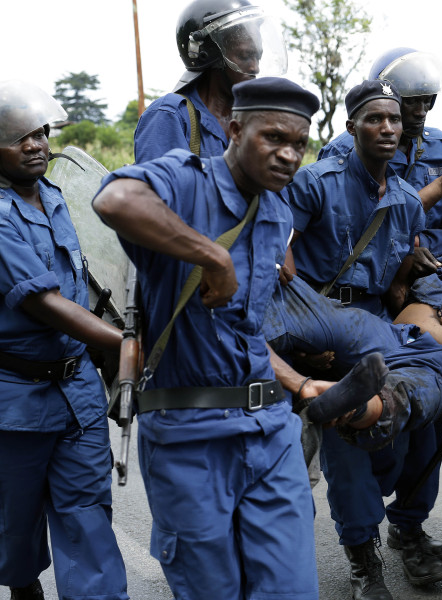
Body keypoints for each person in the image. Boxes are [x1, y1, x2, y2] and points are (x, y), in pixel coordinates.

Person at [92, 77, 360, 600]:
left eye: (298, 145)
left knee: (291, 589)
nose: (288, 155)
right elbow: (115, 198)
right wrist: (210, 254)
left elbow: (245, 332)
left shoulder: (276, 208)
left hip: (270, 431)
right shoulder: (186, 181)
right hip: (191, 437)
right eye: (274, 138)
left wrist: (300, 384)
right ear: (235, 130)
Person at [287, 79, 442, 598]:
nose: (388, 128)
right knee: (347, 437)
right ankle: (362, 558)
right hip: (318, 321)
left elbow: (399, 273)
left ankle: (408, 525)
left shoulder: (403, 199)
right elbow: (277, 257)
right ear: (351, 127)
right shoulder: (316, 183)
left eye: (394, 120)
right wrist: (305, 337)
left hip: (375, 325)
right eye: (375, 119)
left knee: (424, 418)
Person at [0, 80, 129, 600]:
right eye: (20, 137)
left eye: (41, 133)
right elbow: (45, 303)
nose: (36, 144)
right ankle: (22, 586)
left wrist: (111, 370)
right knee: (14, 521)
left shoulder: (56, 197)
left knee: (87, 515)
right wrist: (126, 343)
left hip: (77, 395)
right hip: (18, 398)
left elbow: (88, 290)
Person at [318, 47, 442, 234]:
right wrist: (408, 250)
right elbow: (343, 227)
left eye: (427, 101)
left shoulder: (441, 146)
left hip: (436, 253)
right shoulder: (344, 148)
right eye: (411, 101)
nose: (421, 111)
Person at [134, 0, 287, 162]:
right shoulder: (170, 115)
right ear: (208, 55)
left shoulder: (251, 121)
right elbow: (160, 184)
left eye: (258, 57)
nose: (255, 67)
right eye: (244, 56)